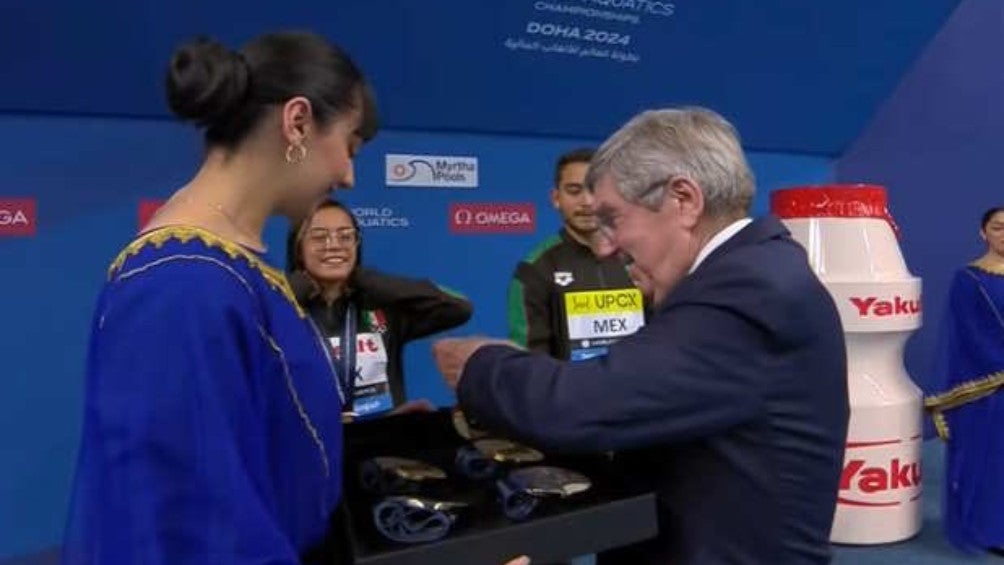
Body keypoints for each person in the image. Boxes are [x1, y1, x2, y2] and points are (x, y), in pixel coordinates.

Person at [433, 107, 850, 564]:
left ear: (684, 200)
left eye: (613, 218)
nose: (606, 244)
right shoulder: (740, 276)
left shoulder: (750, 293)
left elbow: (579, 406)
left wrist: (479, 361)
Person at [62, 31, 378, 564]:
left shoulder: (227, 267)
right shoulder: (180, 287)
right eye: (348, 146)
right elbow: (192, 535)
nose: (348, 176)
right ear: (297, 123)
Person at [285, 198, 473, 418]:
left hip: (378, 439)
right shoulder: (280, 309)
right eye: (319, 237)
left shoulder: (381, 305)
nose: (334, 245)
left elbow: (459, 307)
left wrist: (365, 278)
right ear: (299, 249)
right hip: (310, 439)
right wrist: (295, 288)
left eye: (346, 236)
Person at [507, 148, 644, 362]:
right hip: (571, 393)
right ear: (556, 198)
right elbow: (528, 362)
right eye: (574, 190)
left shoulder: (642, 257)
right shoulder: (535, 269)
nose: (587, 202)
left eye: (595, 190)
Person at [925, 206, 1004, 557]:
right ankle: (993, 532)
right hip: (991, 389)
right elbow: (968, 334)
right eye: (999, 227)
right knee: (991, 461)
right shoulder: (969, 279)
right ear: (983, 232)